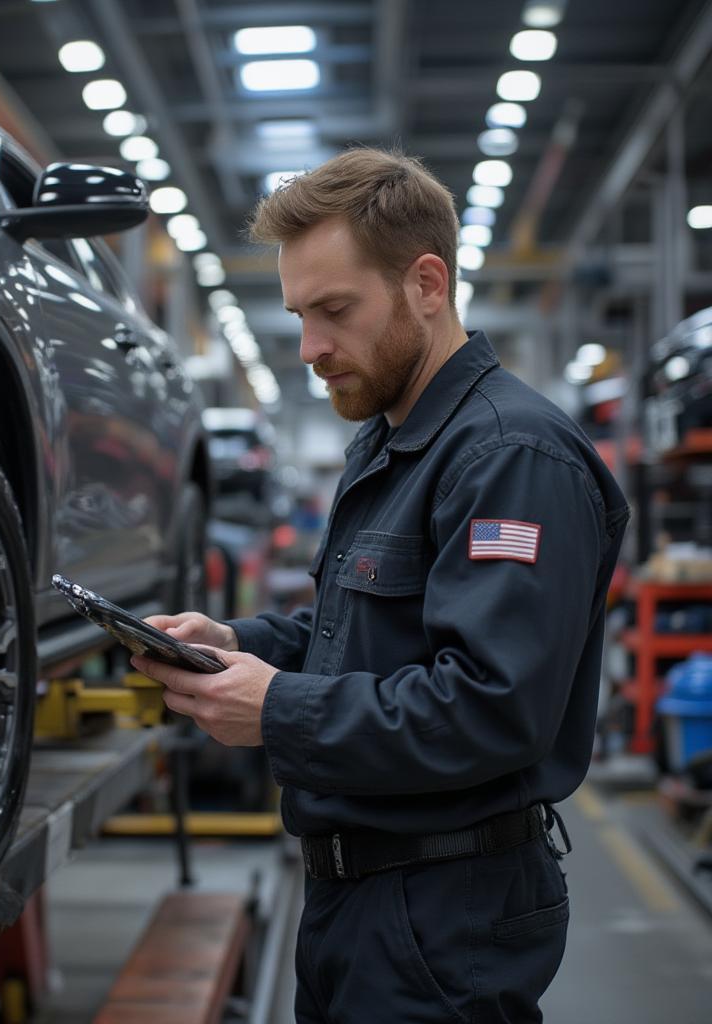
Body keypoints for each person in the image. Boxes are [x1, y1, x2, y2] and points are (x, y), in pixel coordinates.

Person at [133, 148, 629, 1023]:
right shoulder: (391, 440)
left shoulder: (511, 457)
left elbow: (492, 708)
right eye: (298, 315)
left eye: (334, 311)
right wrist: (238, 646)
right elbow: (356, 630)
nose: (311, 349)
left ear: (426, 285)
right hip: (354, 898)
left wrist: (277, 710)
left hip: (442, 913)